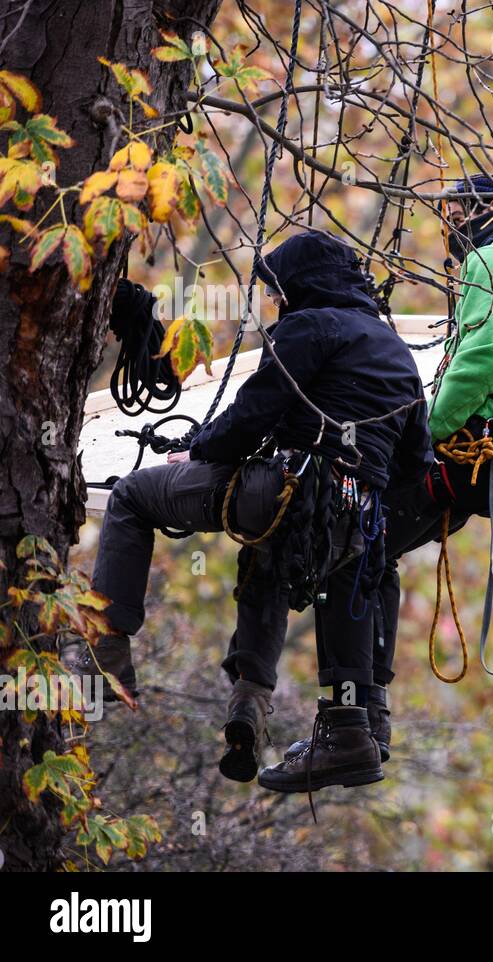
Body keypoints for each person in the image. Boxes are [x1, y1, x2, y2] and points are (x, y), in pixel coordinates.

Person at [276, 174, 493, 765]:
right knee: (373, 546)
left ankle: (348, 727)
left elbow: (484, 354)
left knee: (347, 544)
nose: (450, 228)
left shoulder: (492, 264)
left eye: (457, 213)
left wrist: (428, 433)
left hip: (474, 447)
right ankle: (367, 719)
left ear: (489, 211)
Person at [66, 230, 431, 791]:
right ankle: (314, 718)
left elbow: (249, 418)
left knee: (133, 495)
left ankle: (108, 646)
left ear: (302, 286)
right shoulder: (396, 352)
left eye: (278, 292)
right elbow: (414, 463)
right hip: (359, 523)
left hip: (285, 489)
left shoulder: (311, 327)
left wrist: (198, 448)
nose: (276, 304)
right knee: (279, 565)